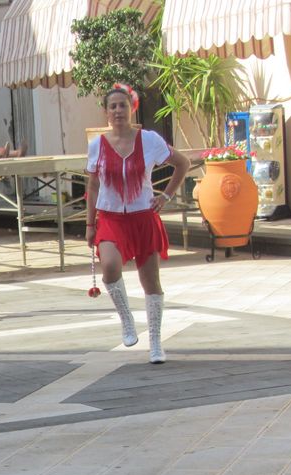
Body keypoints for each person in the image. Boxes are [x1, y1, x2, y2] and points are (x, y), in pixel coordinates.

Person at [85, 83, 190, 363]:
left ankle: (155, 342)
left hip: (143, 216)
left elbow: (182, 163)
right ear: (106, 112)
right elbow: (93, 186)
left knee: (150, 281)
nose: (118, 111)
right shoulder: (97, 145)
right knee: (110, 267)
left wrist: (166, 195)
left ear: (132, 108)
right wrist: (89, 224)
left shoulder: (150, 140)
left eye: (123, 105)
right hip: (110, 217)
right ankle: (127, 320)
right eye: (113, 106)